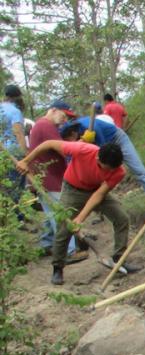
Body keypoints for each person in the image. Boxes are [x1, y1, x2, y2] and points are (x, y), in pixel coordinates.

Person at [16, 139, 140, 285]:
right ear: (97, 158)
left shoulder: (118, 171)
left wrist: (80, 218)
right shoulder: (81, 150)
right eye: (106, 168)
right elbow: (48, 143)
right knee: (63, 228)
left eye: (113, 169)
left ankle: (119, 260)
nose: (110, 172)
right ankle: (58, 267)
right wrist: (25, 161)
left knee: (122, 218)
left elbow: (98, 195)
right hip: (72, 189)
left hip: (95, 189)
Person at [60, 115, 145, 205]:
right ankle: (104, 205)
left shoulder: (91, 127)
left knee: (138, 170)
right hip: (103, 148)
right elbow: (71, 155)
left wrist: (87, 144)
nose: (70, 142)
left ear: (72, 133)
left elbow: (102, 152)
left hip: (117, 139)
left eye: (69, 140)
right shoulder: (77, 137)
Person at [28, 99, 83, 260]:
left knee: (50, 212)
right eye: (64, 115)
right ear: (53, 110)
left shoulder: (43, 126)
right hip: (49, 178)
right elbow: (63, 150)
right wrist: (81, 145)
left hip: (45, 176)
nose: (65, 120)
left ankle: (46, 244)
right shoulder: (45, 126)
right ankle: (69, 251)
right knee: (60, 213)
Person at [2, 85, 27, 203]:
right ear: (17, 97)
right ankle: (18, 215)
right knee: (16, 185)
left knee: (4, 186)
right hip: (13, 152)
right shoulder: (15, 111)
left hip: (2, 153)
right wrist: (24, 156)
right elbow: (18, 133)